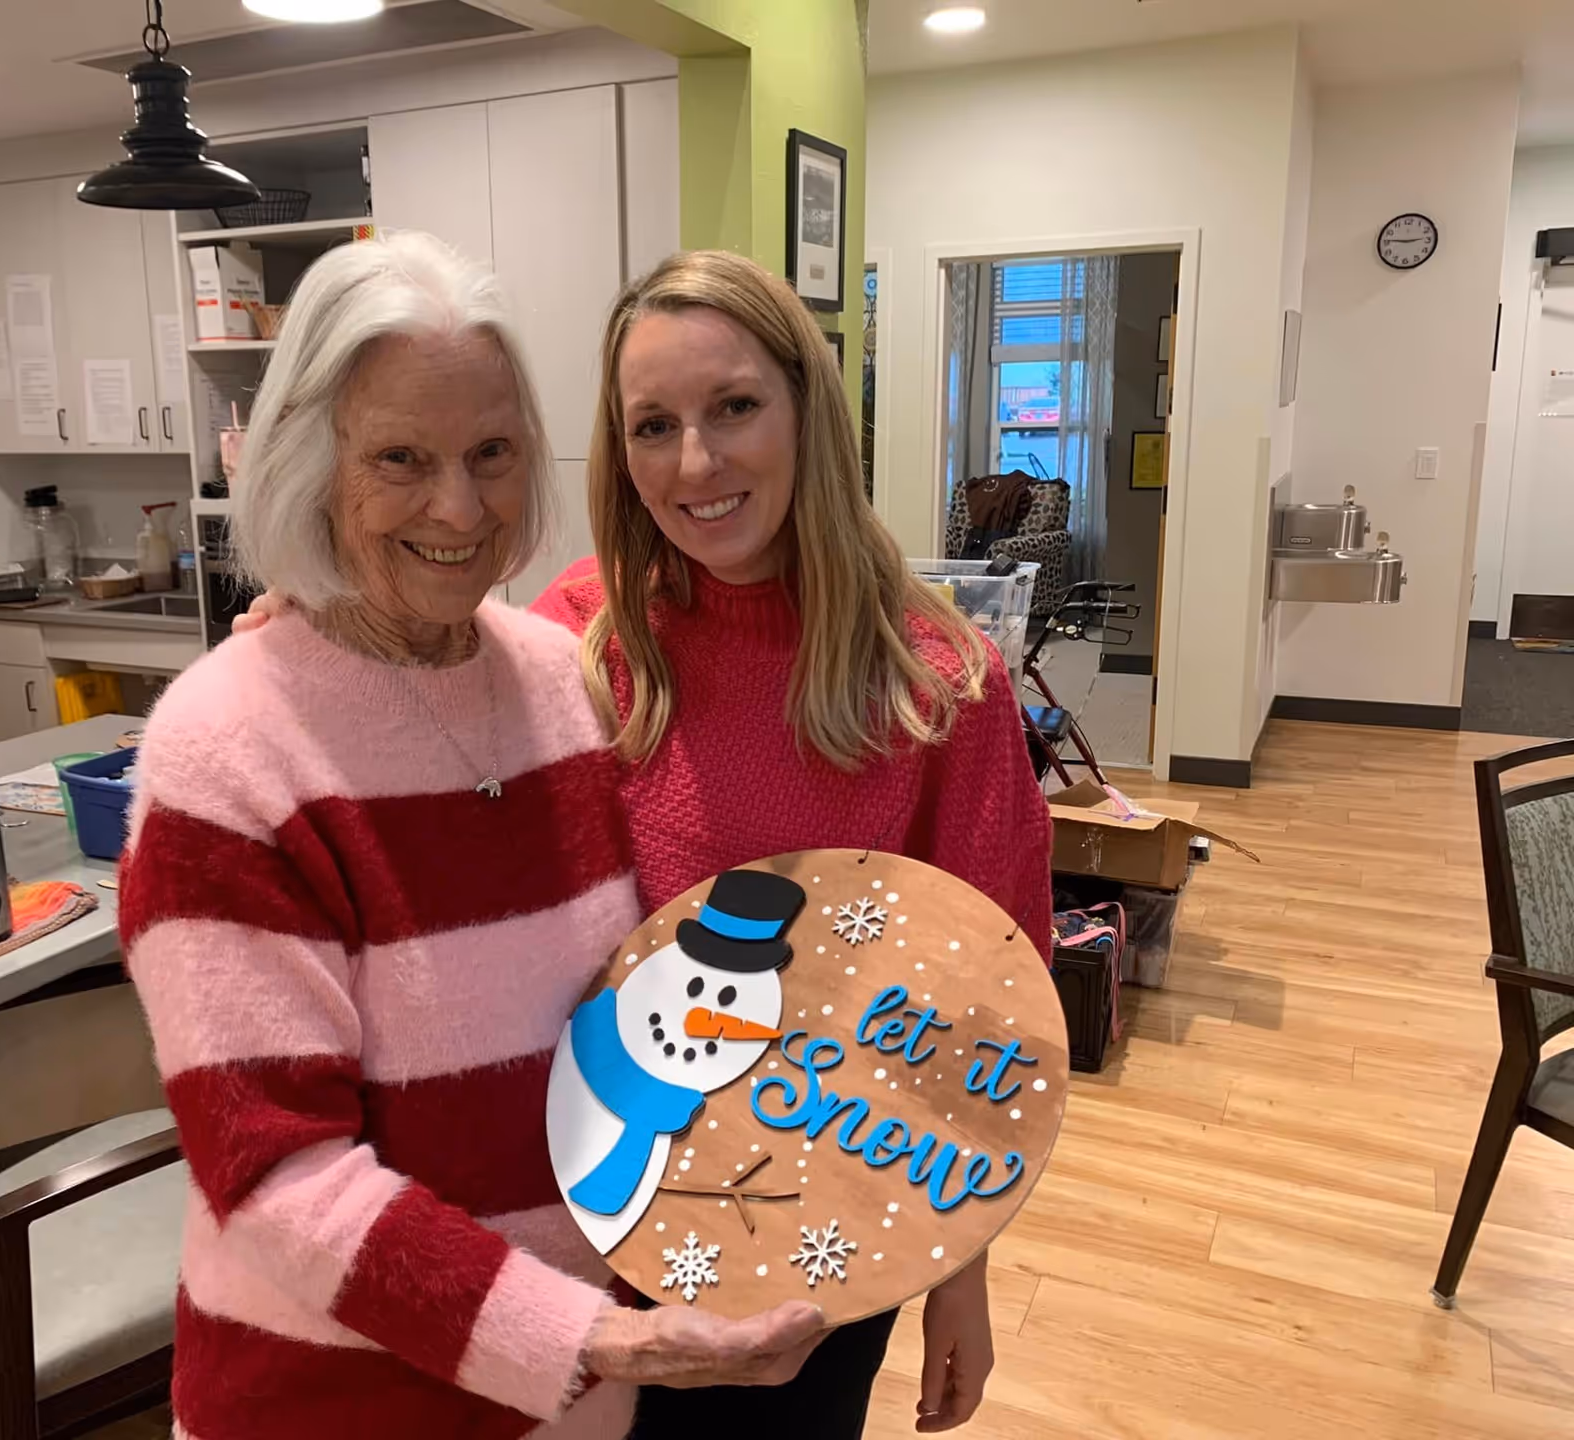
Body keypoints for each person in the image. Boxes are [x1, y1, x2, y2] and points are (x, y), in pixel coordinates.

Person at [118, 233, 825, 1440]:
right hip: (334, 1405)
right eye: (400, 457)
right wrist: (599, 1339)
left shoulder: (567, 676)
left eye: (491, 453)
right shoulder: (225, 752)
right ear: (307, 462)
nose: (460, 507)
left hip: (576, 1409)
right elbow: (280, 1177)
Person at [529, 249, 1054, 1437]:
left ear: (809, 412)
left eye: (735, 408)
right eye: (651, 425)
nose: (696, 464)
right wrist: (306, 631)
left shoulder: (930, 681)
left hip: (815, 1222)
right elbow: (406, 729)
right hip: (583, 1210)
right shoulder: (577, 637)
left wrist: (958, 1268)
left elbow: (979, 1007)